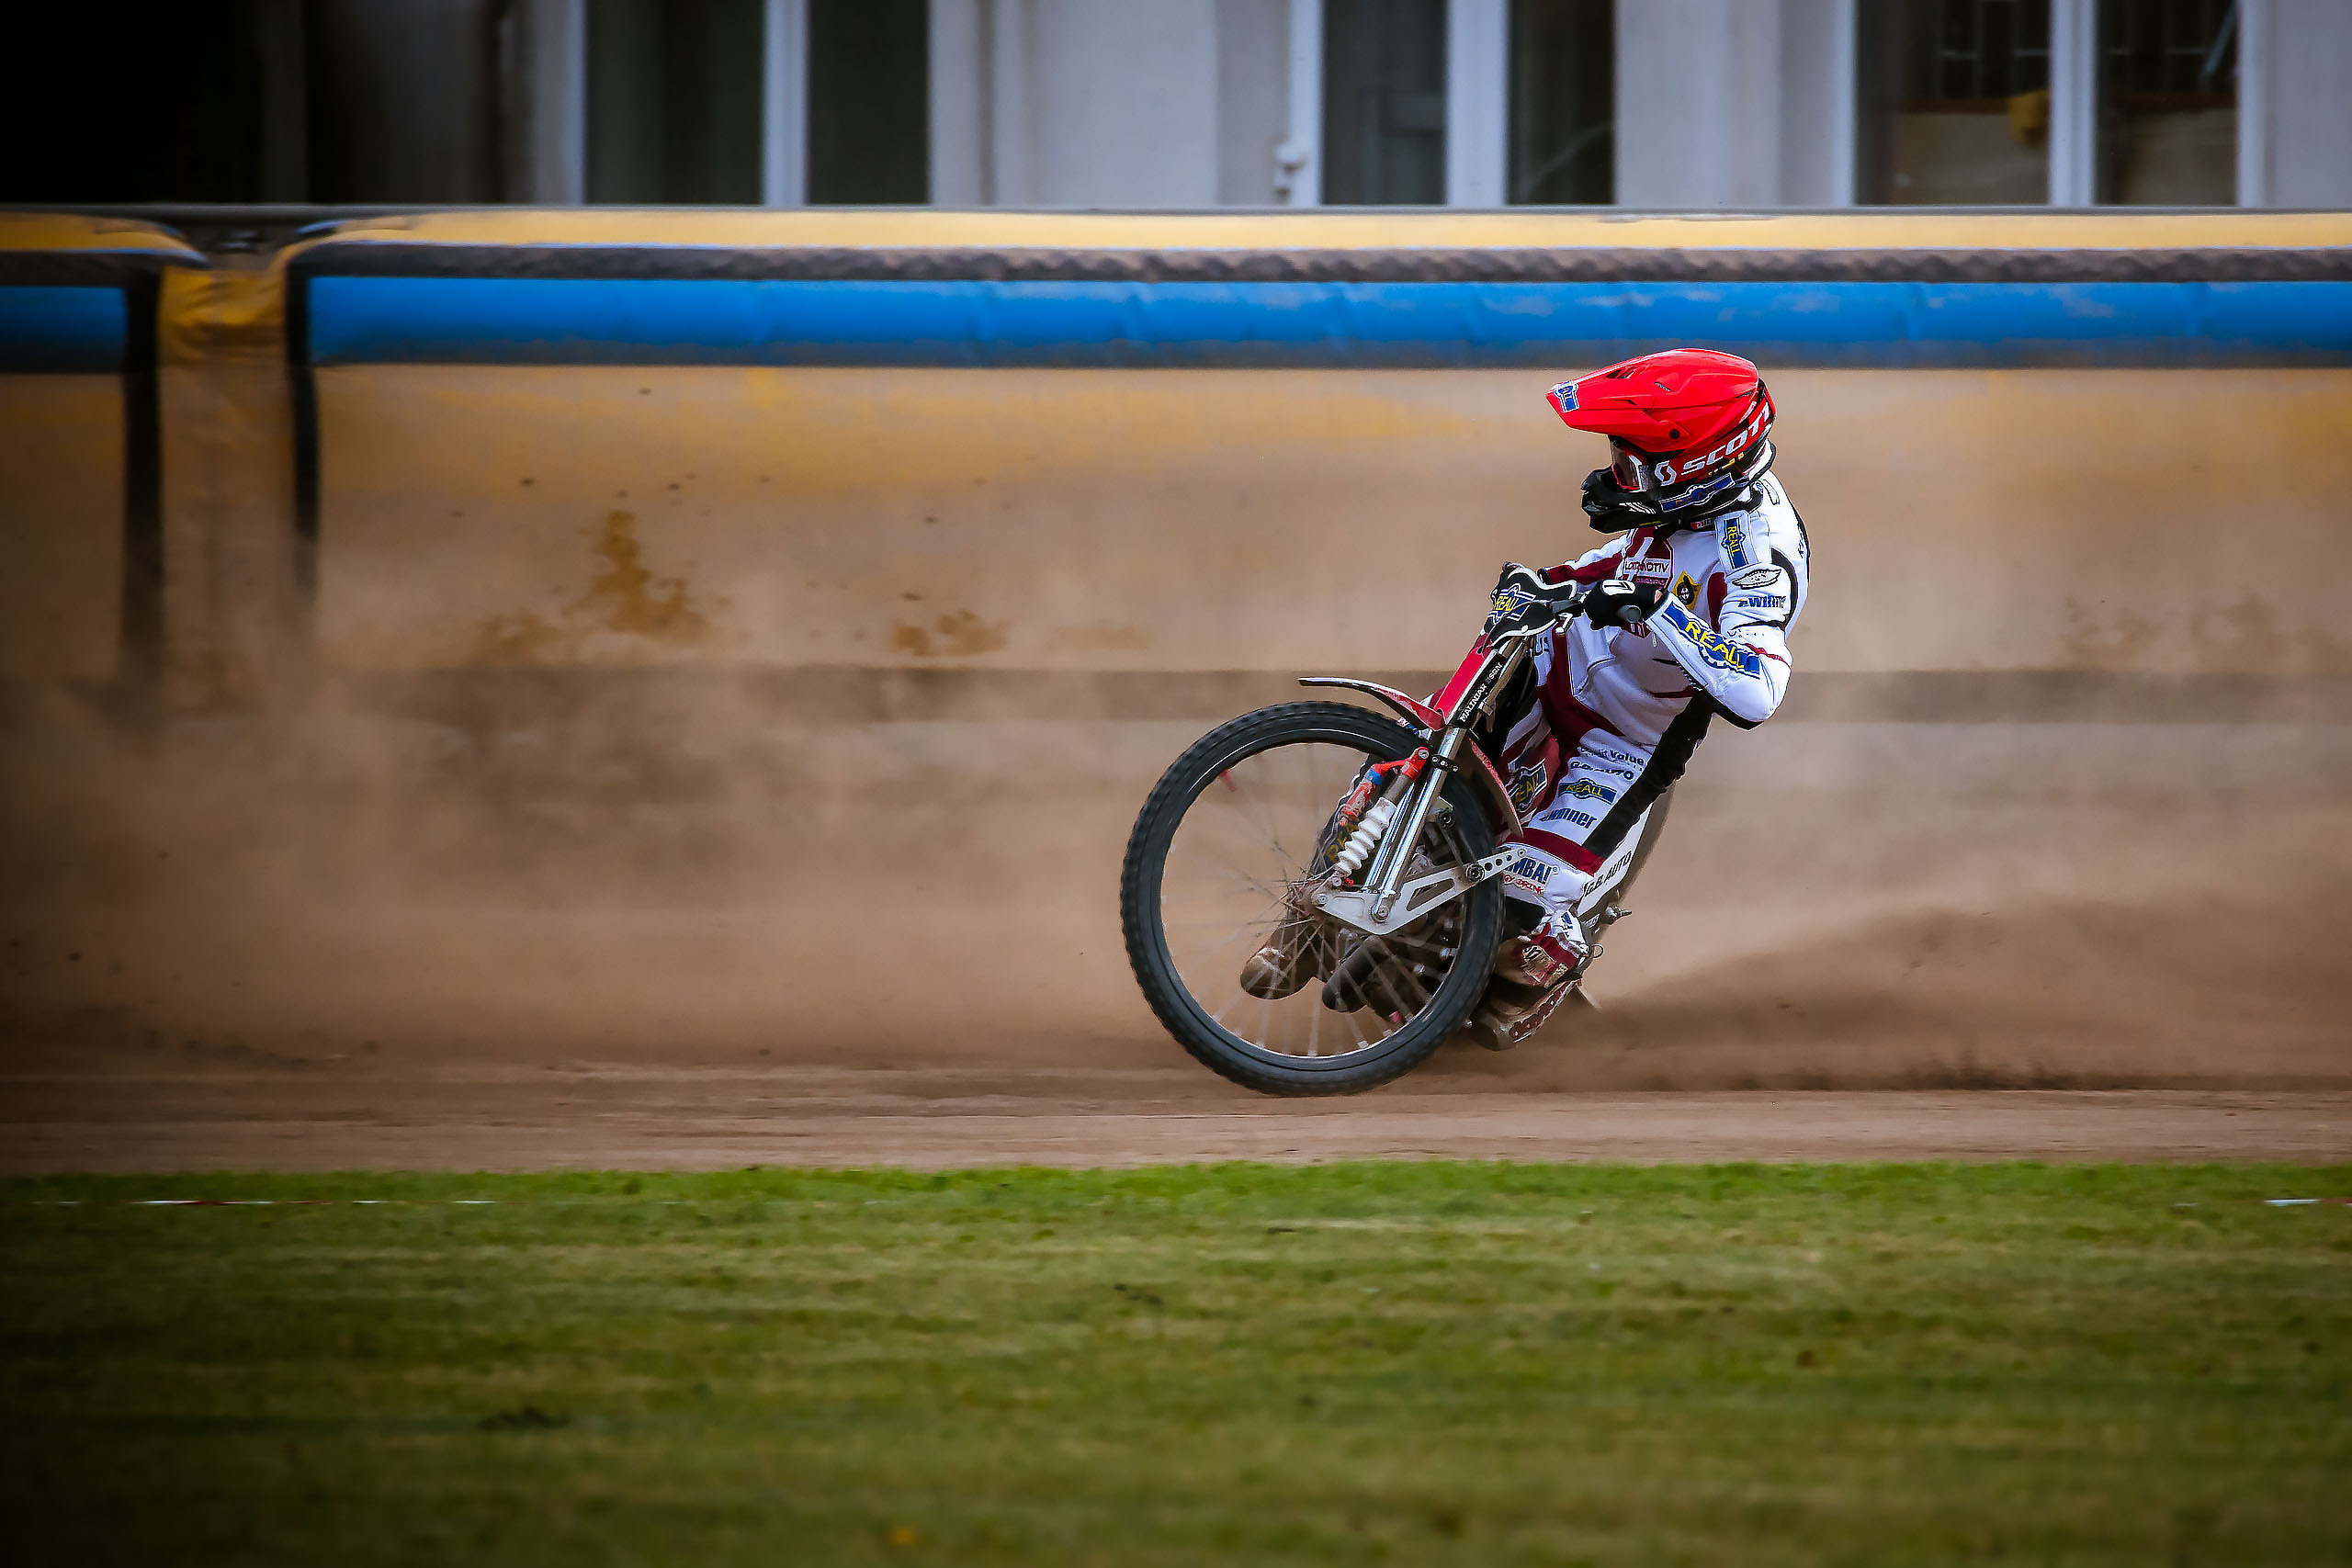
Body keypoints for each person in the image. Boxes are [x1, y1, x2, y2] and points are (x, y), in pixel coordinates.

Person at [1464, 347, 1811, 1047]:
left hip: (1624, 742)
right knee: (1428, 774)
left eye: (1631, 467)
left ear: (1693, 467)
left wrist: (1660, 613)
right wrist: (1550, 579)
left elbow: (1759, 690)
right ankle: (1320, 910)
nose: (1613, 477)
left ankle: (1549, 956)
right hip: (1549, 672)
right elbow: (1629, 560)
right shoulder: (1697, 497)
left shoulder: (1759, 554)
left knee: (1515, 911)